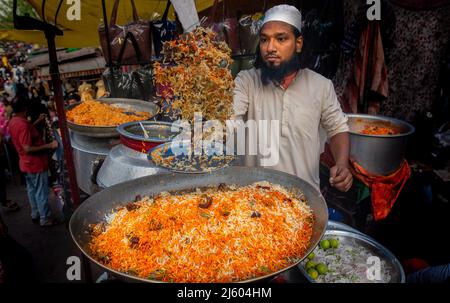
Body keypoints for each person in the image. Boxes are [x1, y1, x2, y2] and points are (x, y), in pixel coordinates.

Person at [233, 5, 352, 192]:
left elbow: (338, 128)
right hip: (252, 199)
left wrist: (342, 164)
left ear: (298, 43)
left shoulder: (321, 86)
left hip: (303, 199)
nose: (270, 48)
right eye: (264, 40)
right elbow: (231, 117)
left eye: (281, 39)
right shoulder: (246, 81)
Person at [8, 97, 58, 227]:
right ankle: (45, 219)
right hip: (35, 164)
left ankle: (35, 213)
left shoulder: (14, 121)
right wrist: (49, 145)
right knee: (41, 191)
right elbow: (27, 148)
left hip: (25, 164)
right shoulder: (23, 124)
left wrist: (37, 122)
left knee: (32, 190)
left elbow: (24, 134)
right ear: (25, 109)